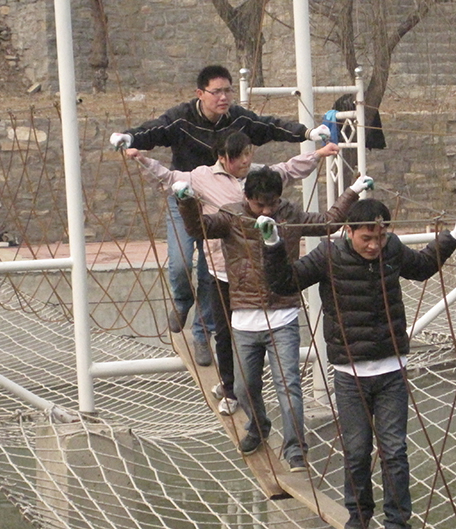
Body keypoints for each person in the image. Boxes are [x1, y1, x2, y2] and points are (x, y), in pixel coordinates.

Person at [260, 199, 456, 529]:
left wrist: (452, 237)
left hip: (391, 372)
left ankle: (397, 527)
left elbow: (422, 267)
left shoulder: (392, 250)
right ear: (349, 231)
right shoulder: (328, 255)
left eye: (380, 236)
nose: (374, 245)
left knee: (394, 452)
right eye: (367, 238)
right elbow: (285, 281)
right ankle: (359, 511)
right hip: (350, 375)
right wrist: (272, 244)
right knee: (357, 451)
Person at [110, 64, 330, 367]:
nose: (224, 97)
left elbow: (271, 128)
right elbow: (154, 131)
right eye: (217, 92)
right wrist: (130, 139)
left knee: (211, 271)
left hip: (223, 206)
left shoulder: (239, 120)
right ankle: (182, 301)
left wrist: (306, 133)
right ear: (200, 93)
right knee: (181, 263)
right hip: (187, 194)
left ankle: (202, 334)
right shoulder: (181, 118)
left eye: (228, 91)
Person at [125, 131, 340, 416]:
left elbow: (289, 169)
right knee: (225, 332)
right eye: (239, 157)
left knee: (256, 338)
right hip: (223, 269)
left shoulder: (261, 176)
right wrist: (142, 160)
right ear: (223, 158)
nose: (246, 161)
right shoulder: (202, 177)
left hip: (262, 273)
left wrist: (318, 154)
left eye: (249, 154)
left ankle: (243, 388)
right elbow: (168, 178)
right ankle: (229, 388)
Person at [176, 167, 374, 473]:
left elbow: (328, 222)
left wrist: (354, 190)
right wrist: (186, 201)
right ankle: (258, 426)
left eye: (273, 203)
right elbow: (198, 228)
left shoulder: (289, 214)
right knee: (244, 388)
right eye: (260, 205)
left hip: (283, 315)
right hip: (244, 318)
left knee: (289, 386)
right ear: (246, 198)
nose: (267, 211)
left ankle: (296, 450)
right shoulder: (230, 216)